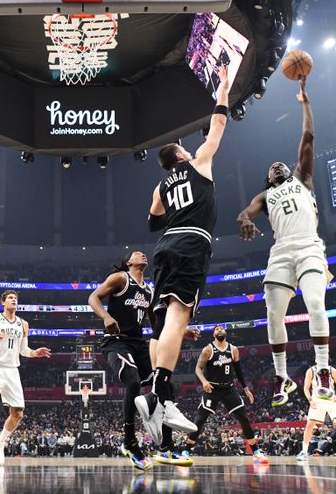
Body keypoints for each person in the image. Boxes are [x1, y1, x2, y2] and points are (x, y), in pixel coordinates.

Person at [135, 65, 230, 446]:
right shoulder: (198, 162)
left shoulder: (160, 186)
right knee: (178, 314)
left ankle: (160, 395)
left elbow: (151, 221)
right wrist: (222, 90)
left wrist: (169, 202)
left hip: (165, 247)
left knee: (163, 325)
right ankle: (157, 393)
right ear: (180, 154)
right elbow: (219, 125)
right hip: (192, 242)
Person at [236, 77, 333, 407]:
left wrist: (305, 103)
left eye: (281, 164)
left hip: (308, 246)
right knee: (273, 316)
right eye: (272, 167)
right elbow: (244, 213)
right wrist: (245, 220)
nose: (277, 165)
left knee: (315, 305)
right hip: (280, 251)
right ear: (269, 178)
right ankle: (282, 378)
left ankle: (322, 369)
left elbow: (308, 137)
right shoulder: (264, 195)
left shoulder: (303, 178)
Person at [88, 251, 154, 471]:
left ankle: (165, 441)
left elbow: (157, 324)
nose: (143, 254)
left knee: (161, 384)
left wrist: (180, 331)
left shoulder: (149, 290)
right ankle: (129, 440)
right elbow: (93, 297)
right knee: (133, 381)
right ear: (129, 262)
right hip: (115, 341)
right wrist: (106, 316)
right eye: (137, 254)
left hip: (138, 342)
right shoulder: (120, 278)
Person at [0, 290, 51, 468]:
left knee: (18, 414)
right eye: (10, 298)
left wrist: (34, 353)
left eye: (15, 298)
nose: (13, 300)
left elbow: (23, 350)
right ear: (3, 302)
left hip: (12, 370)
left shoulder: (23, 324)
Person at [184, 325, 269, 464]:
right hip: (212, 389)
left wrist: (246, 389)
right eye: (217, 329)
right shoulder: (208, 349)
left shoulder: (233, 350)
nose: (219, 330)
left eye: (221, 329)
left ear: (226, 333)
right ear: (213, 334)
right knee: (200, 419)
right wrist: (204, 382)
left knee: (243, 418)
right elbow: (198, 368)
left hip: (229, 389)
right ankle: (186, 450)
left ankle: (256, 452)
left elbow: (239, 371)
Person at [297, 364, 336, 461]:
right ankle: (304, 452)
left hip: (332, 400)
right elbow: (306, 388)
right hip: (316, 401)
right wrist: (310, 400)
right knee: (309, 425)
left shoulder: (332, 370)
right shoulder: (311, 370)